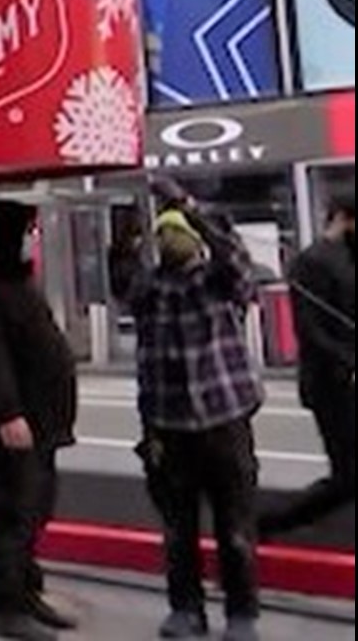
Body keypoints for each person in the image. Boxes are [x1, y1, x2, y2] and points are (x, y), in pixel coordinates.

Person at [131, 182, 264, 641]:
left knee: (235, 528)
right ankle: (185, 608)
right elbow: (128, 273)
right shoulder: (150, 290)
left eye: (178, 232)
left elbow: (234, 256)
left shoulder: (217, 282)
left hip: (223, 422)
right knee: (178, 529)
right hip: (169, 427)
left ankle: (242, 614)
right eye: (162, 233)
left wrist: (190, 207)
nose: (170, 240)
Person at [0, 199, 79, 641]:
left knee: (35, 508)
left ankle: (26, 591)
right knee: (10, 512)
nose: (32, 238)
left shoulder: (15, 281)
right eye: (26, 230)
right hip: (12, 426)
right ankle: (4, 605)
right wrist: (8, 413)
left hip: (41, 420)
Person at [259, 194, 355, 538]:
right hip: (332, 383)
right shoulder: (312, 262)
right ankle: (269, 523)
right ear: (343, 218)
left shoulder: (347, 258)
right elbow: (311, 330)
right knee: (349, 475)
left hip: (343, 375)